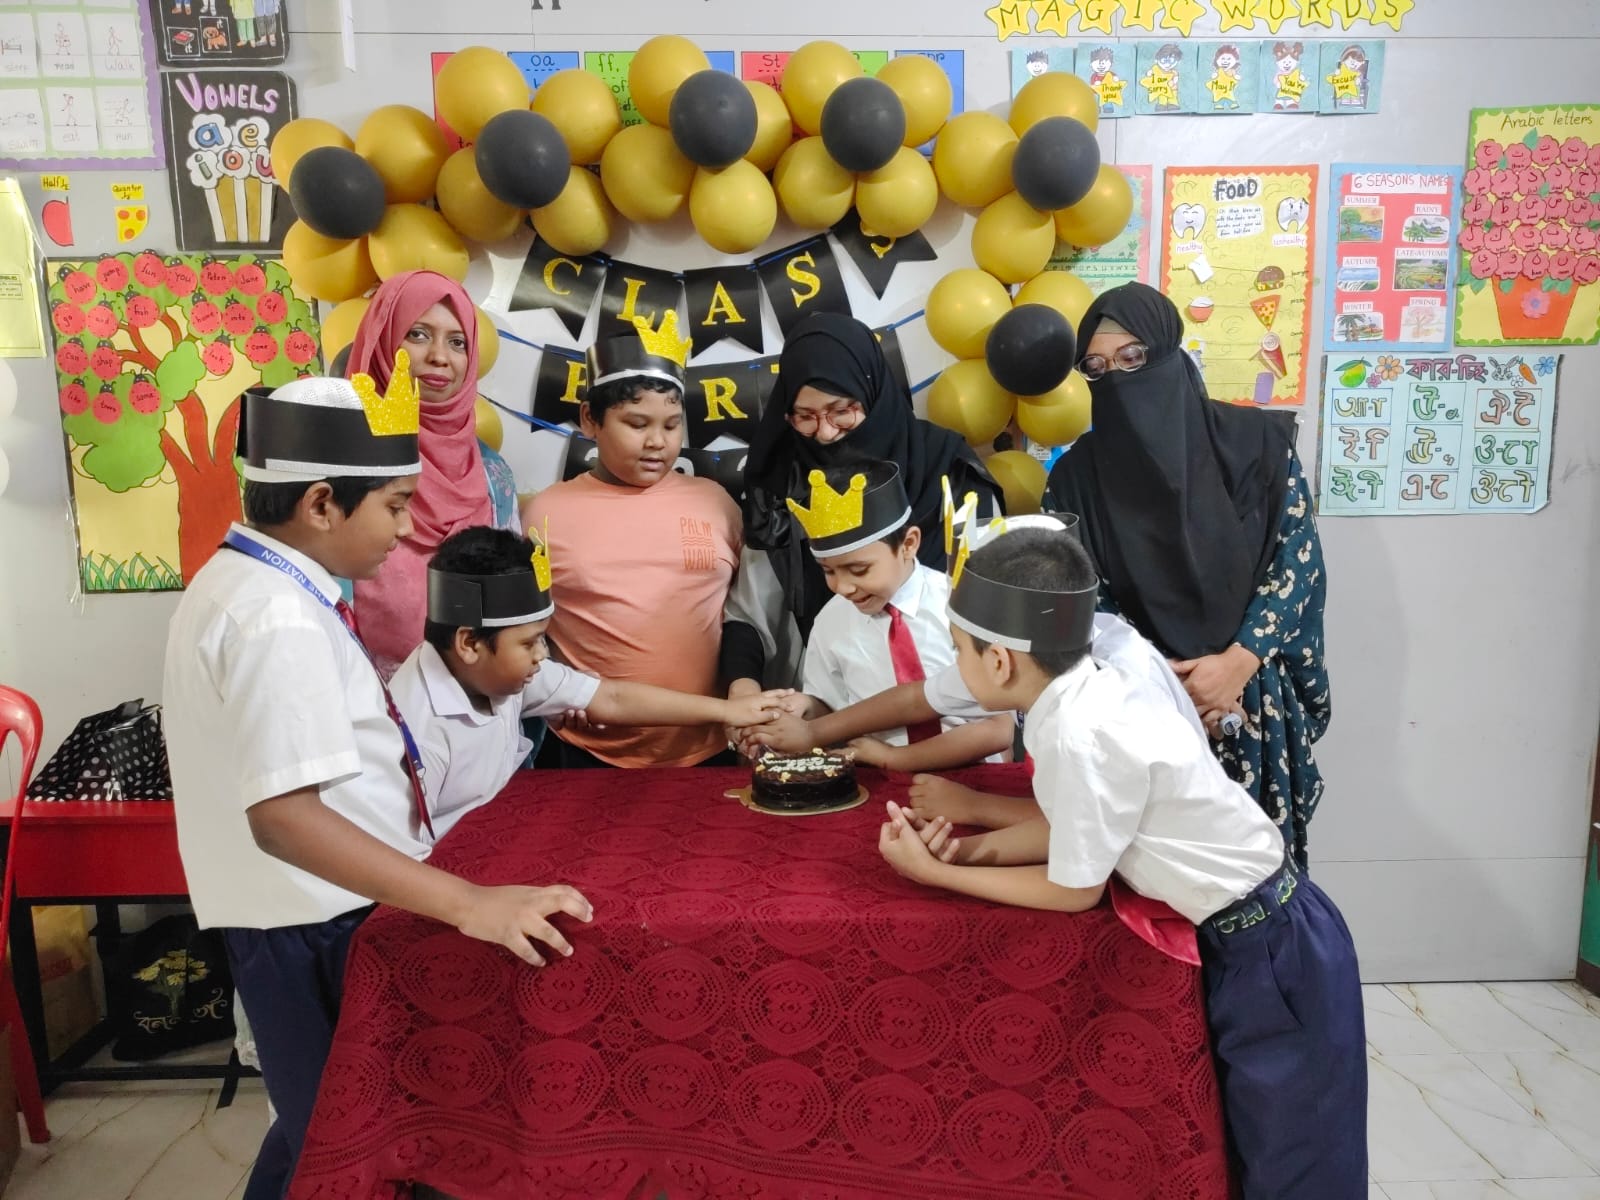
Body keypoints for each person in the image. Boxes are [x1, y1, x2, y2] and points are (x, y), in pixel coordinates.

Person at [163, 362, 591, 1200]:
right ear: (323, 503)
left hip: (306, 912)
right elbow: (284, 817)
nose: (407, 528)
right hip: (309, 921)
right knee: (345, 1140)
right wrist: (467, 902)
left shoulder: (254, 583)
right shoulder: (276, 618)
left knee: (317, 1126)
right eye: (395, 505)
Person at [877, 525, 1366, 1199]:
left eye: (959, 649)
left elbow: (1073, 889)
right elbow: (1075, 830)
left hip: (1275, 946)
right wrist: (961, 848)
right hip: (1256, 933)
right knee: (1256, 1140)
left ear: (1000, 662)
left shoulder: (1080, 730)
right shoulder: (1081, 689)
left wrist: (937, 874)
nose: (956, 664)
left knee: (1296, 1158)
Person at [1046, 282, 1329, 867]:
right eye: (1096, 367)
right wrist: (1170, 683)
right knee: (1153, 880)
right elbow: (1083, 596)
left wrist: (1236, 664)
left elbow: (1295, 561)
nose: (1117, 378)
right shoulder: (1074, 480)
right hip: (1140, 711)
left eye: (1132, 357)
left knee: (1257, 879)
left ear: (1167, 352)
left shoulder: (1258, 445)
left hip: (1252, 700)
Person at [390, 526, 785, 838]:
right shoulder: (415, 729)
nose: (542, 655)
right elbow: (397, 854)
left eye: (543, 638)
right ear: (469, 643)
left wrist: (729, 711)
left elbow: (611, 698)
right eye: (529, 642)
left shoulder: (494, 672)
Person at [726, 312, 1002, 709]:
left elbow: (994, 604)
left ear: (873, 393)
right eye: (804, 417)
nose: (825, 432)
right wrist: (743, 688)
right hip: (828, 702)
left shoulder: (947, 468)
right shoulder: (780, 480)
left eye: (842, 410)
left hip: (960, 705)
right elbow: (751, 610)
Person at [522, 313, 745, 768]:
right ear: (590, 419)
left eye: (671, 425)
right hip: (588, 751)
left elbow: (747, 613)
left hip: (712, 747)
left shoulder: (716, 503)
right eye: (637, 424)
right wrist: (556, 686)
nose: (657, 442)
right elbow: (529, 629)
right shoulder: (545, 514)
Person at [756, 460, 1012, 772]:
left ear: (909, 544)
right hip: (876, 775)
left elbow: (997, 727)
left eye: (859, 569)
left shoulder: (961, 606)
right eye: (828, 571)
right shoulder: (830, 622)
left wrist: (900, 758)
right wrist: (807, 708)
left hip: (973, 772)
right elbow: (832, 708)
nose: (843, 587)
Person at [345, 269, 510, 677]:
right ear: (383, 342)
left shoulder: (493, 475)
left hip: (475, 699)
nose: (440, 356)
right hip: (363, 700)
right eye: (418, 334)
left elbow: (510, 600)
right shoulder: (337, 468)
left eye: (457, 342)